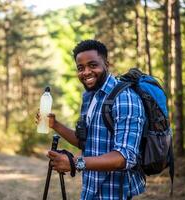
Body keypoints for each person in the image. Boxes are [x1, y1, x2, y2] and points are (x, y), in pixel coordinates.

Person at [37, 39, 146, 199]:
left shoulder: (125, 98)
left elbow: (124, 157)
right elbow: (86, 142)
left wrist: (75, 163)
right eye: (80, 68)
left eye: (93, 65)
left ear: (107, 64)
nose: (86, 72)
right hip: (90, 191)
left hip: (114, 194)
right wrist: (55, 125)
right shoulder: (89, 97)